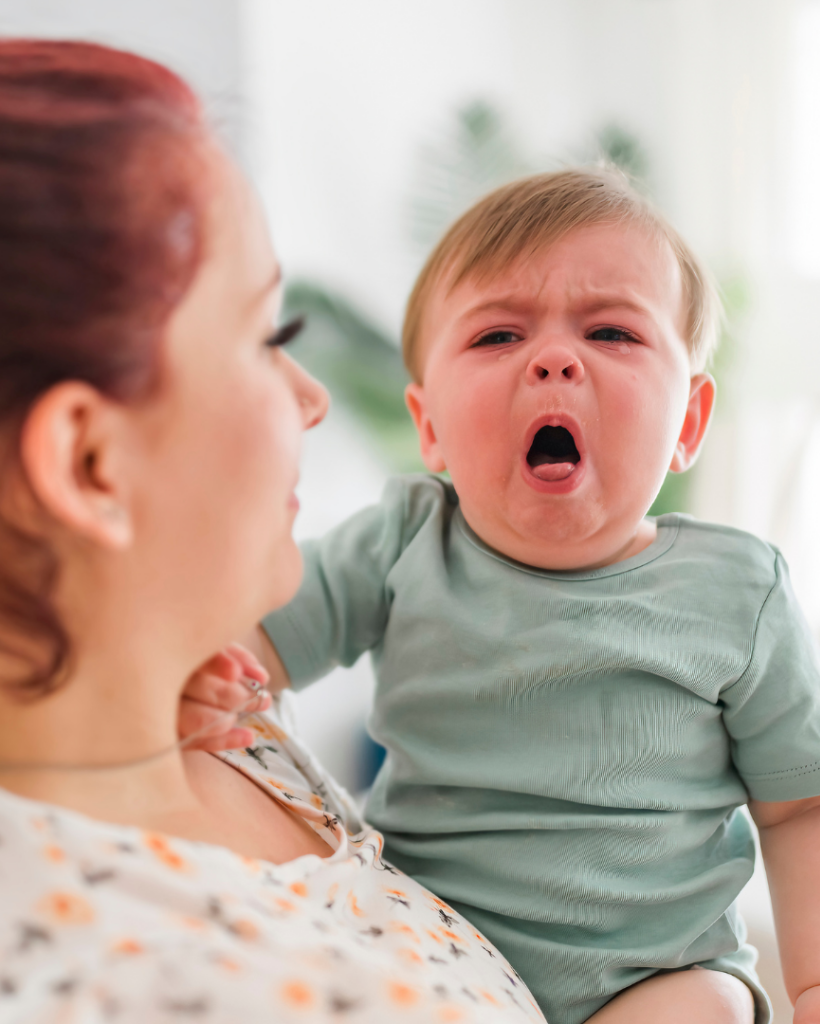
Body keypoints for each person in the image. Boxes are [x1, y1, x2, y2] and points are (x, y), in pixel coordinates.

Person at [189, 170, 820, 1024]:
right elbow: (258, 636)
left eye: (611, 331)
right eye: (497, 337)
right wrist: (212, 672)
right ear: (431, 427)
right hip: (429, 950)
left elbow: (813, 806)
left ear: (690, 424)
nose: (554, 359)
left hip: (657, 974)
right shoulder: (403, 541)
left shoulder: (737, 592)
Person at [0, 39, 549, 1023]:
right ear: (90, 463)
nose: (313, 397)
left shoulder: (221, 722)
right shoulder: (84, 975)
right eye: (268, 337)